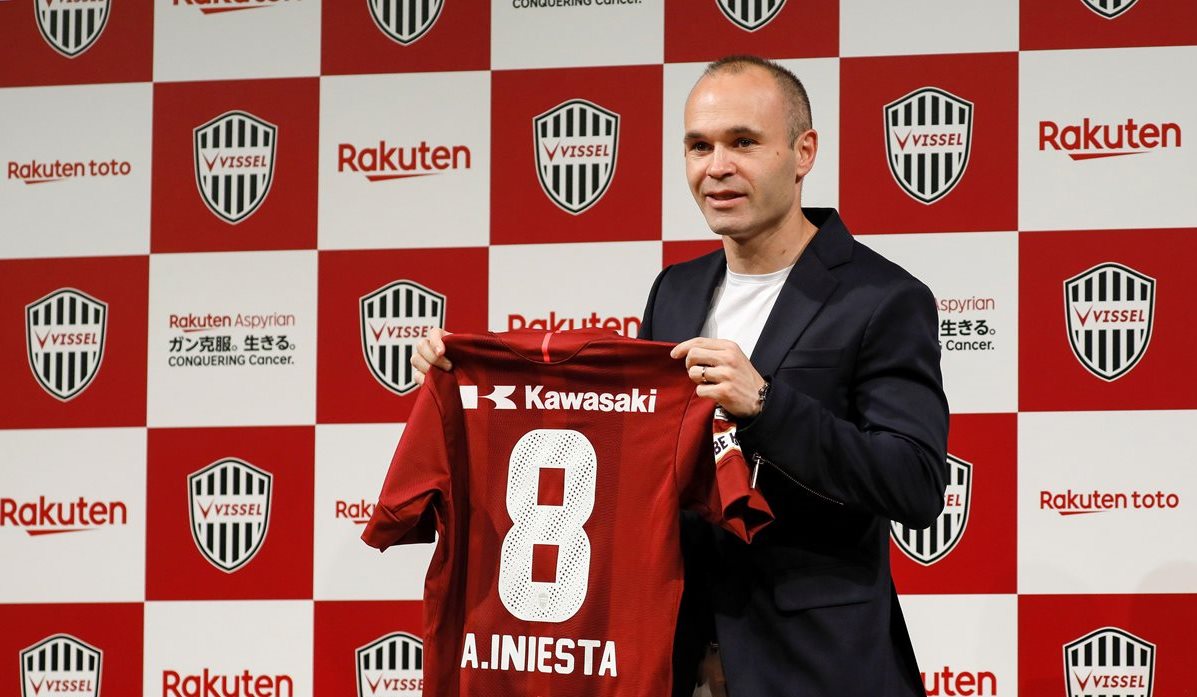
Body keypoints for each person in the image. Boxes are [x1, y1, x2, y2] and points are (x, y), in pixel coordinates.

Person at [412, 55, 949, 697]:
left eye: (743, 143)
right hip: (672, 654)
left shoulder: (884, 297)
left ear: (803, 153)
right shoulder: (675, 289)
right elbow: (629, 452)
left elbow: (915, 484)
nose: (716, 167)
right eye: (699, 146)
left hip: (815, 665)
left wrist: (767, 408)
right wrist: (472, 384)